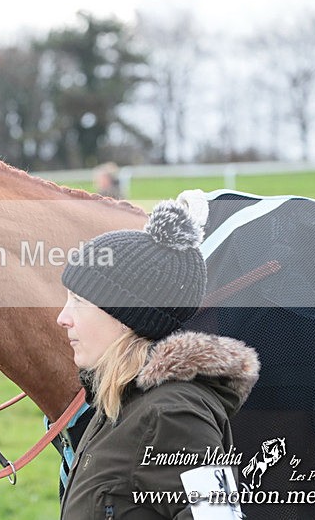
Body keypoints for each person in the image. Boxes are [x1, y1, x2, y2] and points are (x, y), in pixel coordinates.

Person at [57, 199, 260, 519]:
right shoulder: (118, 399)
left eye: (78, 301)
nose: (62, 318)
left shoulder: (174, 414)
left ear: (125, 316)